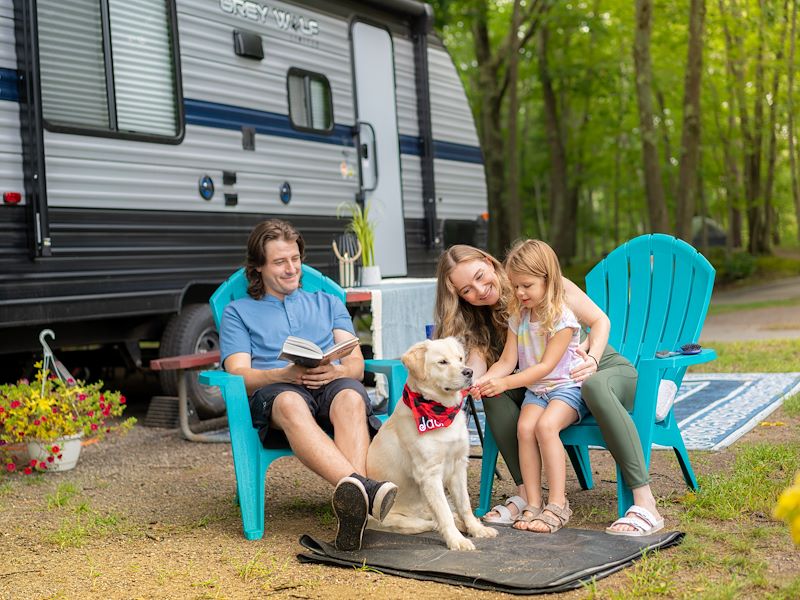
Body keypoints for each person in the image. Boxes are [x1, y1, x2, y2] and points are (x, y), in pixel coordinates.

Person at [434, 244, 664, 536]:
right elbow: (491, 365)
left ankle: (645, 502)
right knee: (495, 395)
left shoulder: (547, 286)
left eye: (480, 276)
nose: (479, 290)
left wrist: (592, 357)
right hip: (541, 385)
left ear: (490, 263)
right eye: (467, 290)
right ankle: (527, 496)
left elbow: (599, 320)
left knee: (591, 386)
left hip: (598, 369)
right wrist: (472, 386)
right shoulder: (502, 313)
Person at [219, 219, 397, 551]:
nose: (291, 269)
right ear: (257, 267)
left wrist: (338, 370)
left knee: (351, 397)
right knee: (289, 402)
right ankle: (367, 491)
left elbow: (356, 363)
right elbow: (239, 374)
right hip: (277, 394)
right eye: (279, 262)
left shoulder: (327, 302)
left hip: (328, 384)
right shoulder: (237, 312)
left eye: (295, 259)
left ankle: (355, 506)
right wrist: (281, 375)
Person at [475, 240, 586, 533]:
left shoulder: (562, 318)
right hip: (537, 391)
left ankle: (558, 503)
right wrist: (487, 379)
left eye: (527, 285)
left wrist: (506, 382)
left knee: (545, 427)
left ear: (547, 280)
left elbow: (545, 367)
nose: (520, 293)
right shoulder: (519, 317)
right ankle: (533, 503)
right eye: (515, 286)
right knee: (524, 429)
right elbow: (507, 360)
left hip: (566, 388)